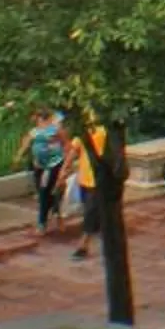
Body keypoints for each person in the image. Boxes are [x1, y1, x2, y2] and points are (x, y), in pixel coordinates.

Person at [17, 108, 67, 233]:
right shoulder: (34, 132)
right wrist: (19, 156)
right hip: (39, 165)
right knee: (42, 191)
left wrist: (67, 164)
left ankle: (43, 221)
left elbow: (66, 143)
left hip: (53, 164)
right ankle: (54, 210)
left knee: (46, 190)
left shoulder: (55, 130)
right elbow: (25, 144)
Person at [69, 115, 104, 259]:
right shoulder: (85, 134)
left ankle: (83, 246)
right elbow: (74, 151)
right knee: (93, 212)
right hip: (85, 180)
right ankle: (105, 234)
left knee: (90, 213)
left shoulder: (103, 134)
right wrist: (64, 170)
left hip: (97, 181)